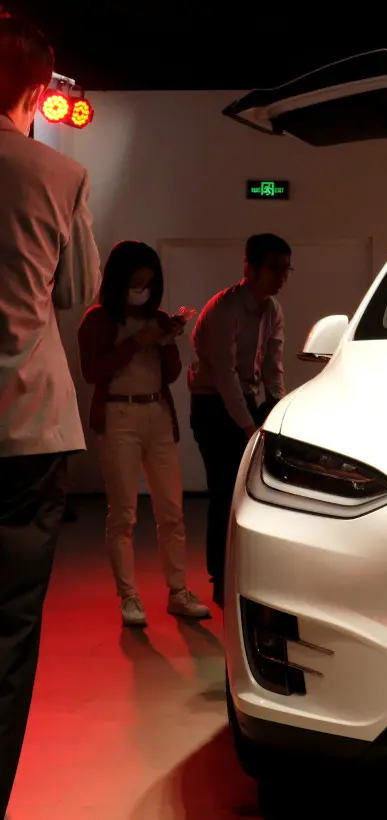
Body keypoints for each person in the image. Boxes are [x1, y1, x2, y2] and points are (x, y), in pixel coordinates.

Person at [0, 15, 101, 814]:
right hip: (28, 426)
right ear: (38, 90)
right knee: (7, 633)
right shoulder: (55, 175)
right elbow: (75, 293)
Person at [78, 241, 211, 627]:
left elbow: (170, 373)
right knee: (123, 513)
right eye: (137, 282)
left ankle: (178, 590)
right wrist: (138, 341)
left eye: (150, 283)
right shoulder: (98, 320)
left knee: (172, 509)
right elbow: (93, 370)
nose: (143, 289)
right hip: (119, 412)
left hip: (156, 411)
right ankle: (129, 596)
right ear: (119, 281)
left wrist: (168, 338)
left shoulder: (157, 318)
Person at [189, 234, 291, 607]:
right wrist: (248, 426)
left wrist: (277, 409)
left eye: (285, 269)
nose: (281, 277)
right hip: (213, 406)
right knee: (224, 494)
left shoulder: (272, 310)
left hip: (243, 400)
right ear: (249, 268)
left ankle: (249, 572)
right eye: (273, 268)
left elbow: (272, 367)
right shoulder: (224, 310)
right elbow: (225, 375)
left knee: (254, 493)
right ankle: (220, 577)